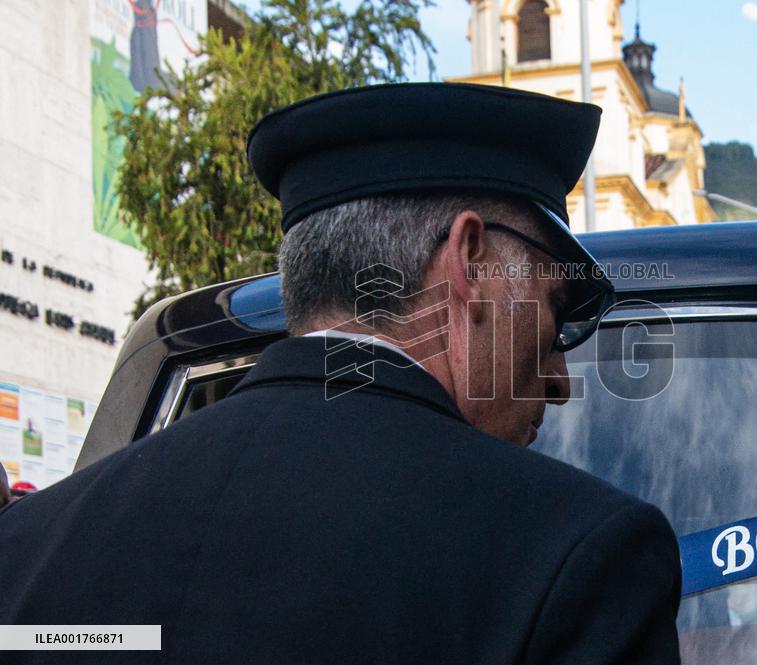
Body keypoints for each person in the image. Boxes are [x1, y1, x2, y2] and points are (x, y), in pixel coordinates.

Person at [0, 83, 681, 663]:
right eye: (557, 309)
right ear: (470, 262)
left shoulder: (31, 546)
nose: (559, 375)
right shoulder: (573, 557)